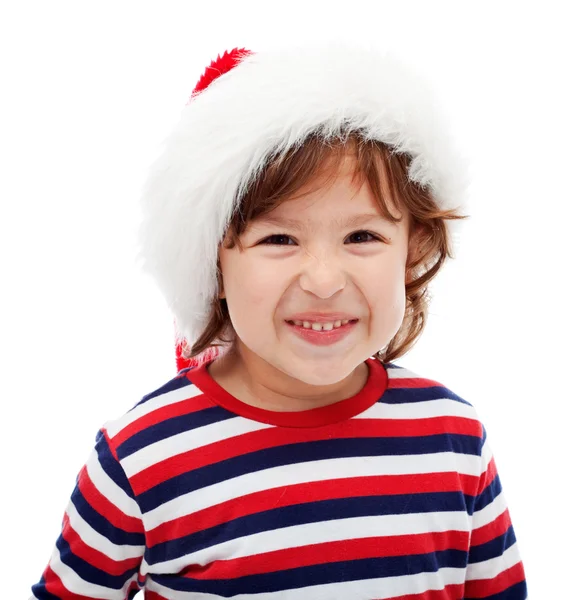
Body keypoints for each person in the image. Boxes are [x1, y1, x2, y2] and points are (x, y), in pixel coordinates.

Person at [30, 42, 528, 599]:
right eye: (278, 238)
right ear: (213, 262)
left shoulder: (452, 437)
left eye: (362, 236)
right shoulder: (141, 459)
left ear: (413, 249)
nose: (323, 279)